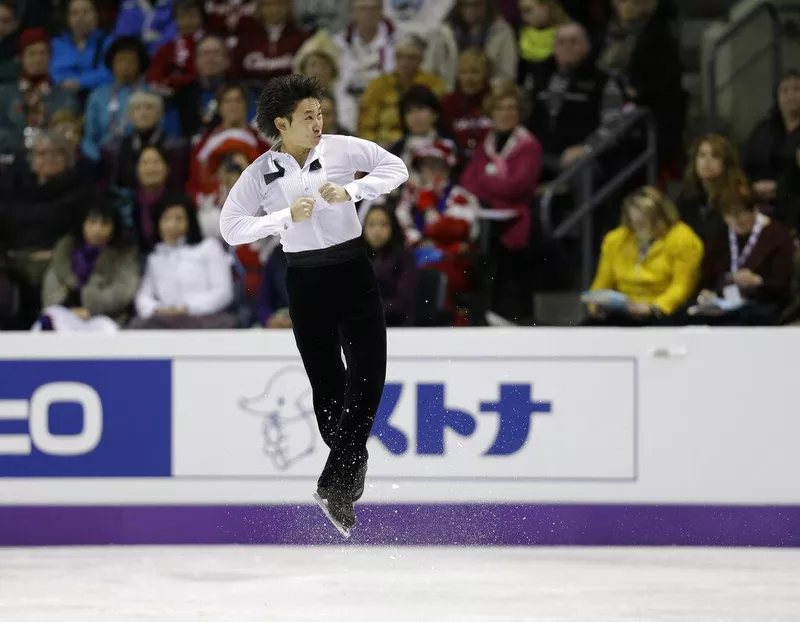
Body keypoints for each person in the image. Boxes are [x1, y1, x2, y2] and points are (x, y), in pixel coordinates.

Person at [219, 74, 408, 536]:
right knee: (327, 383)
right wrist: (282, 218)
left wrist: (353, 191)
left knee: (369, 372)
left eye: (320, 114)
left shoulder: (342, 150)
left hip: (352, 270)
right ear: (282, 124)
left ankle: (336, 481)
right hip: (304, 279)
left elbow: (396, 168)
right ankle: (345, 477)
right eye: (309, 117)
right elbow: (231, 226)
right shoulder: (260, 173)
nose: (319, 123)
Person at [583, 186, 703, 326]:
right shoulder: (615, 239)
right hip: (625, 311)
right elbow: (602, 282)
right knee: (588, 327)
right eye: (636, 223)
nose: (641, 229)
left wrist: (654, 307)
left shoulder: (683, 238)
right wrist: (596, 305)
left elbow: (682, 286)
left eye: (647, 222)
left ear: (662, 216)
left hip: (663, 311)